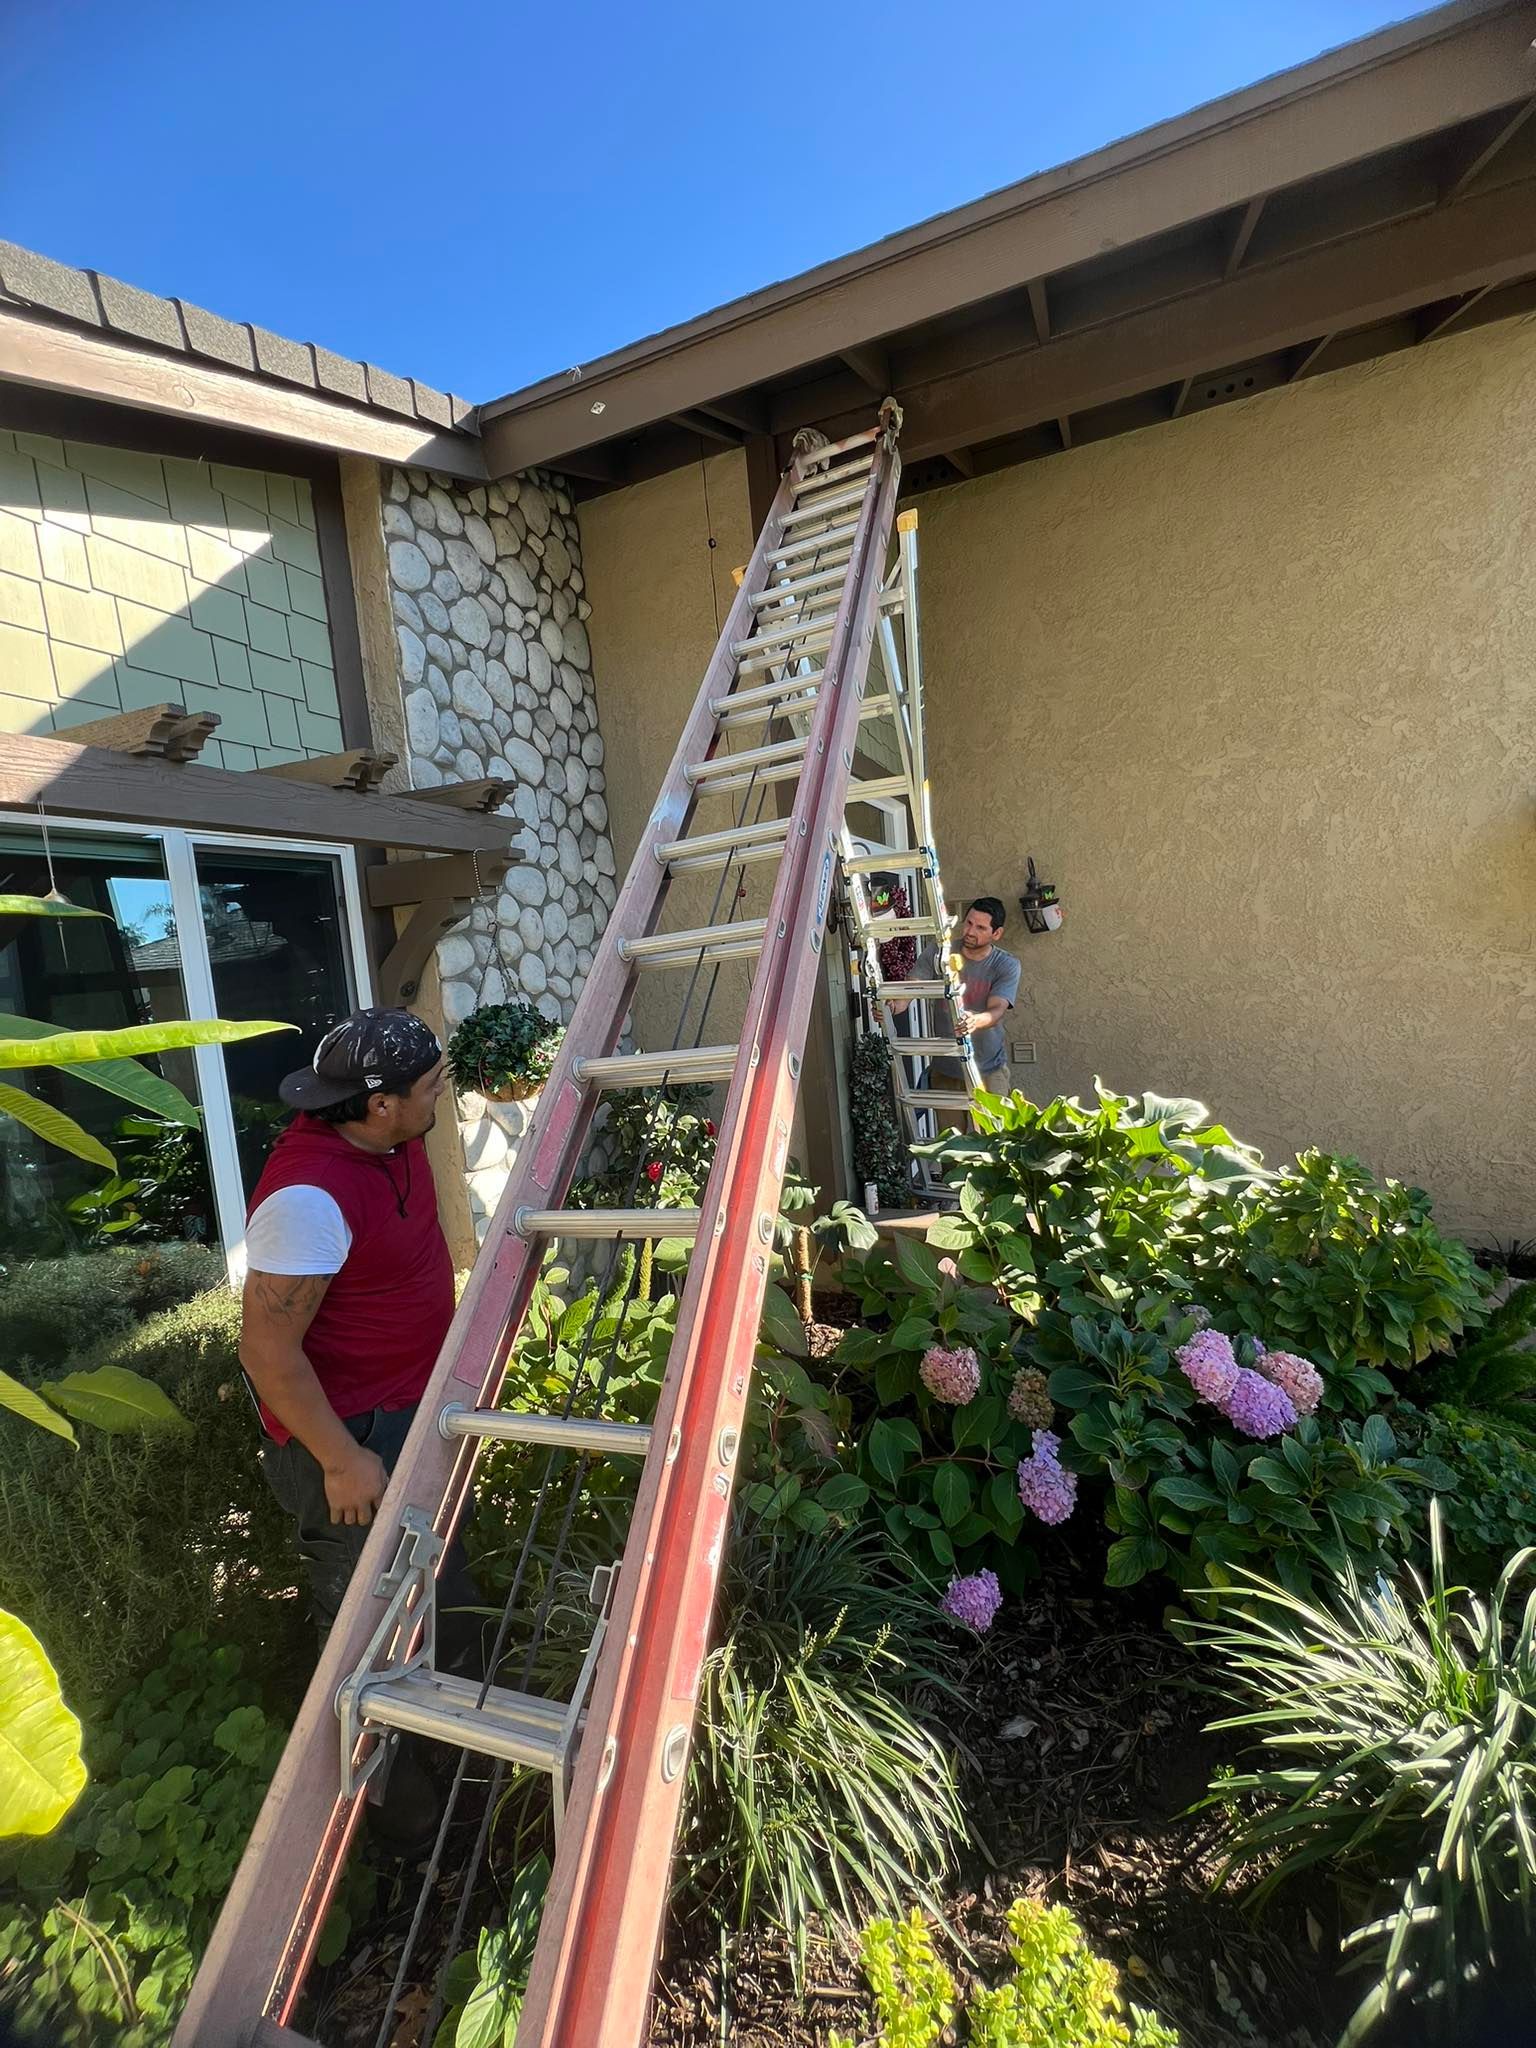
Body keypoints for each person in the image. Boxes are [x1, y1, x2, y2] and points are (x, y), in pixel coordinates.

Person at [241, 1007, 478, 1845]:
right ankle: (400, 1839)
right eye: (429, 1086)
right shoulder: (308, 1198)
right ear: (378, 1106)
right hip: (350, 1442)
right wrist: (341, 1460)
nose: (440, 1092)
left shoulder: (392, 1136)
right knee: (373, 1638)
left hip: (411, 1416)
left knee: (448, 1601)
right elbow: (268, 1350)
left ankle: (461, 1776)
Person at [893, 897, 1020, 1128]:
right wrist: (895, 1005)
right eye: (969, 923)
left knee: (995, 1147)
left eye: (980, 928)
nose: (970, 931)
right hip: (946, 1070)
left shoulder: (1005, 964)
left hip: (988, 1070)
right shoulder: (941, 951)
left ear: (997, 934)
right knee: (950, 1151)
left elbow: (997, 1009)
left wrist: (975, 1021)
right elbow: (914, 983)